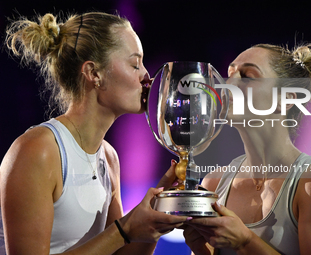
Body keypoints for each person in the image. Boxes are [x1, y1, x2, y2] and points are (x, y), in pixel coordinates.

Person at [0, 11, 190, 254]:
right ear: (93, 74)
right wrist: (124, 229)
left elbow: (119, 250)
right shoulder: (38, 151)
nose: (147, 77)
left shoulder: (109, 158)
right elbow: (119, 235)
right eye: (134, 64)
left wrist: (159, 206)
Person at [182, 44, 311, 254]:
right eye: (229, 75)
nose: (229, 84)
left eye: (247, 76)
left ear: (287, 99)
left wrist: (245, 242)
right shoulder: (214, 182)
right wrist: (201, 249)